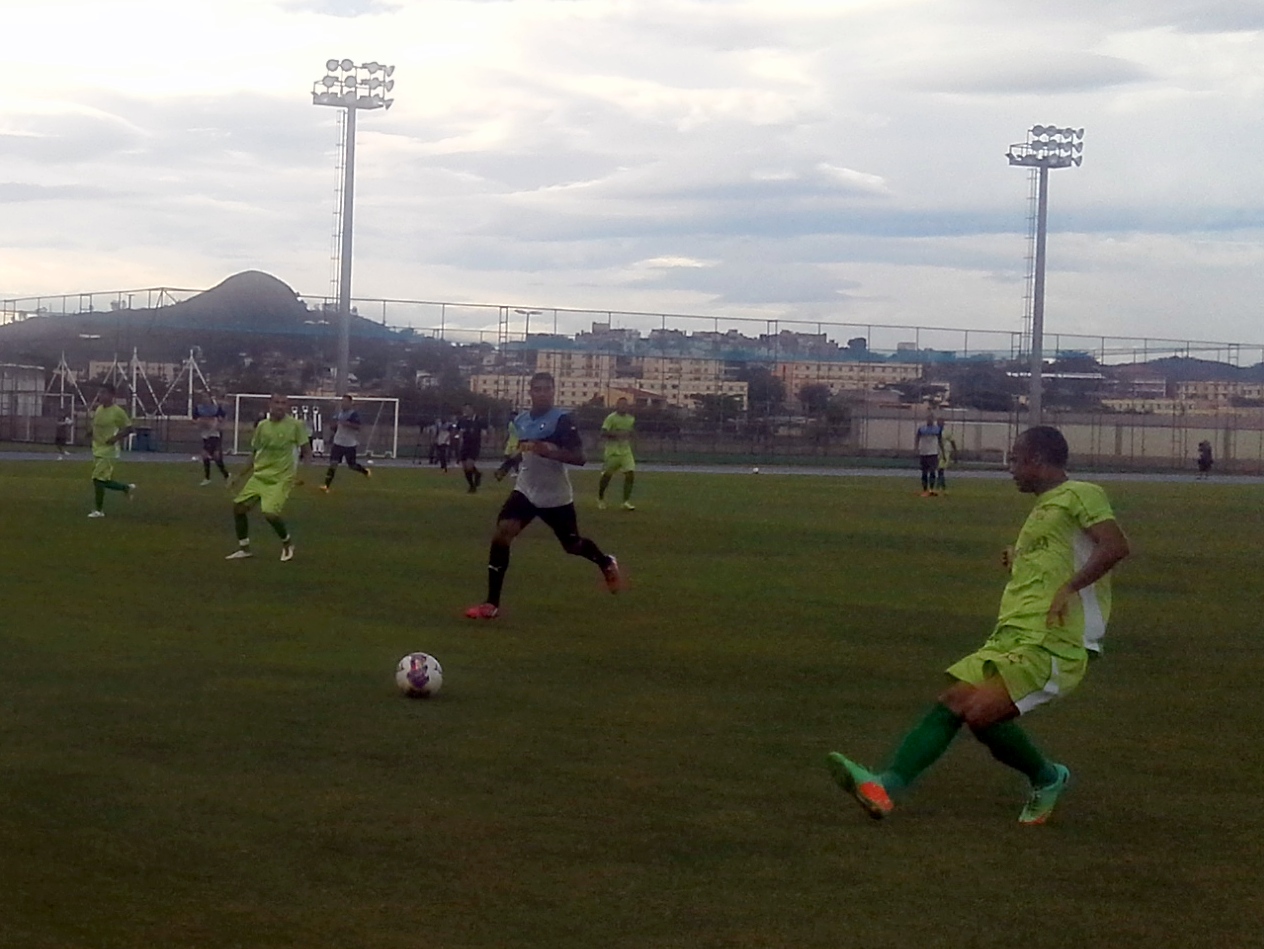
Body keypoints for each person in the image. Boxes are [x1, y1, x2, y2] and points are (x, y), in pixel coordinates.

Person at [827, 426, 1130, 825]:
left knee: (981, 710)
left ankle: (1045, 777)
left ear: (1038, 459)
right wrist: (1018, 557)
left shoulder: (1081, 493)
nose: (1011, 468)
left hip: (1057, 638)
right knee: (957, 701)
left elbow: (1115, 546)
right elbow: (1055, 555)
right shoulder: (1043, 509)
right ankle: (885, 786)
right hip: (1014, 632)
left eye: (1016, 459)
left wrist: (1069, 588)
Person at [465, 372, 622, 619]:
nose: (542, 393)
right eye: (537, 389)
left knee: (572, 545)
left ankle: (605, 562)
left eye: (546, 389)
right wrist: (507, 465)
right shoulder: (522, 420)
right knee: (503, 533)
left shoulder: (562, 421)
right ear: (530, 392)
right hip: (526, 490)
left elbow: (580, 458)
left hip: (555, 495)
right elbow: (525, 448)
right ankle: (491, 604)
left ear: (553, 392)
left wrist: (551, 452)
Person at [226, 393, 310, 561]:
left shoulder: (296, 425)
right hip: (260, 476)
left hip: (281, 478)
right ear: (270, 404)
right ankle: (244, 549)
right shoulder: (262, 426)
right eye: (277, 402)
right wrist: (238, 476)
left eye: (283, 403)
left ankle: (287, 544)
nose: (280, 406)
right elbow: (254, 453)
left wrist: (302, 474)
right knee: (239, 508)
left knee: (270, 513)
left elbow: (307, 452)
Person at [88, 385, 135, 517]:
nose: (100, 395)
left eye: (103, 393)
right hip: (97, 448)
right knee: (102, 480)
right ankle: (125, 488)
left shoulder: (117, 412)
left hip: (109, 451)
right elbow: (97, 426)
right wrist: (90, 433)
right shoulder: (99, 409)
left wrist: (115, 438)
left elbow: (129, 428)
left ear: (111, 396)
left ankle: (99, 510)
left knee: (97, 479)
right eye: (99, 392)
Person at [322, 394, 372, 492]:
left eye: (345, 402)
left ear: (350, 403)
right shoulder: (338, 414)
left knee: (352, 465)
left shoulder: (353, 414)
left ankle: (365, 471)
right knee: (333, 463)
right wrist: (333, 426)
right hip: (338, 442)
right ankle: (326, 486)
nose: (343, 404)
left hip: (349, 444)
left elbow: (358, 427)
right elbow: (334, 426)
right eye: (342, 401)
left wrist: (347, 424)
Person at [597, 397, 637, 510]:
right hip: (612, 452)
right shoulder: (611, 418)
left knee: (630, 474)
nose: (623, 406)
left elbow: (631, 431)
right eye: (621, 404)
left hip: (625, 451)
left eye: (625, 404)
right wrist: (616, 434)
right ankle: (600, 498)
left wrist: (632, 435)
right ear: (617, 405)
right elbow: (603, 433)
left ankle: (625, 501)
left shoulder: (631, 419)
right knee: (607, 476)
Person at [194, 396, 230, 485]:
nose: (205, 400)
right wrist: (200, 423)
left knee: (204, 454)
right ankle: (226, 475)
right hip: (205, 434)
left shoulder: (216, 408)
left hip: (214, 434)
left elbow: (224, 417)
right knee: (216, 457)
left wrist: (220, 424)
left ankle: (207, 478)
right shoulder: (199, 408)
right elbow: (194, 419)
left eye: (206, 398)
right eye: (203, 398)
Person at [455, 404, 486, 494]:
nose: (466, 411)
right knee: (464, 466)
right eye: (465, 409)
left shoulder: (479, 420)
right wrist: (459, 439)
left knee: (469, 465)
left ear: (472, 410)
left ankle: (473, 485)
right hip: (465, 444)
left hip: (474, 445)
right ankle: (474, 481)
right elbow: (459, 431)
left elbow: (485, 431)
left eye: (468, 409)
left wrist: (485, 439)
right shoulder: (462, 420)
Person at [914, 409, 943, 497]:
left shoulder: (937, 429)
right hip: (924, 452)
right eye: (928, 418)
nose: (929, 420)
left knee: (933, 471)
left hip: (933, 453)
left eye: (931, 418)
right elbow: (917, 438)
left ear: (933, 419)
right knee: (924, 472)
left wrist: (942, 451)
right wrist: (916, 448)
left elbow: (940, 440)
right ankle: (925, 489)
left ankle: (931, 489)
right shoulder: (922, 429)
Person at [935, 417, 957, 494]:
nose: (939, 424)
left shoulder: (946, 432)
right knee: (939, 470)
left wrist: (955, 452)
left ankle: (938, 487)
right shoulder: (935, 431)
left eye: (941, 422)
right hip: (937, 452)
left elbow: (952, 441)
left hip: (945, 452)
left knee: (941, 469)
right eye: (938, 422)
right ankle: (943, 487)